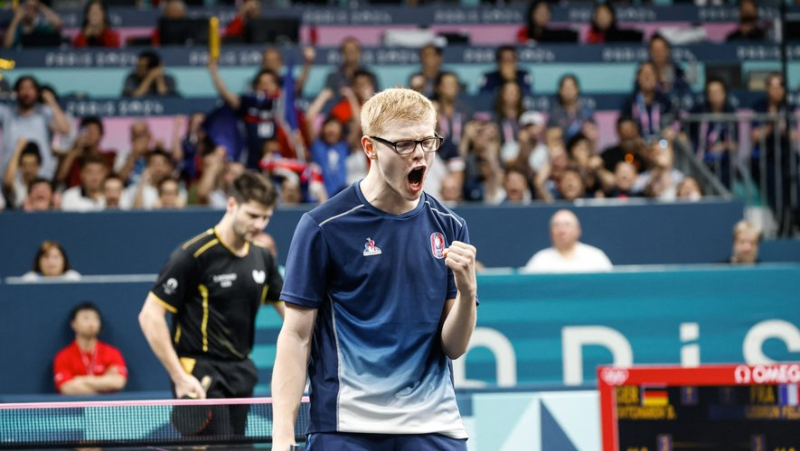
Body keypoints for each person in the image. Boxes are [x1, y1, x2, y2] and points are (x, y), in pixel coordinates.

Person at [271, 88, 478, 450]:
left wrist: (468, 293)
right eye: (404, 144)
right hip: (346, 427)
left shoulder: (450, 227)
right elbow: (296, 336)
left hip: (432, 424)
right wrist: (282, 435)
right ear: (370, 148)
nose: (419, 154)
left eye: (427, 142)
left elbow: (454, 346)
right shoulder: (323, 226)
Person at [138, 172, 284, 436]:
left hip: (241, 370)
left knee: (237, 444)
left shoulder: (262, 257)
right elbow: (150, 316)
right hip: (200, 371)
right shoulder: (193, 255)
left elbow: (291, 313)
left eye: (266, 217)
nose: (260, 224)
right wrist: (178, 376)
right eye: (252, 215)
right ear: (231, 205)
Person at [0, 76, 71, 180]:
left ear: (37, 92)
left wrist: (51, 101)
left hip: (42, 176)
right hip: (11, 178)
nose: (26, 92)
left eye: (30, 88)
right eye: (22, 88)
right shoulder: (7, 113)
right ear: (16, 92)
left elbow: (65, 129)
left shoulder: (44, 113)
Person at [54, 302, 128, 395]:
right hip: (77, 408)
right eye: (86, 318)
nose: (91, 323)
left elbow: (118, 382)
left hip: (107, 409)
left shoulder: (112, 353)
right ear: (74, 324)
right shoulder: (63, 356)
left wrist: (80, 380)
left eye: (95, 318)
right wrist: (104, 385)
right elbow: (67, 387)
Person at [523, 209, 612, 273]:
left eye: (567, 225)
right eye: (557, 226)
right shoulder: (539, 260)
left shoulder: (596, 257)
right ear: (551, 233)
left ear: (578, 230)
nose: (562, 231)